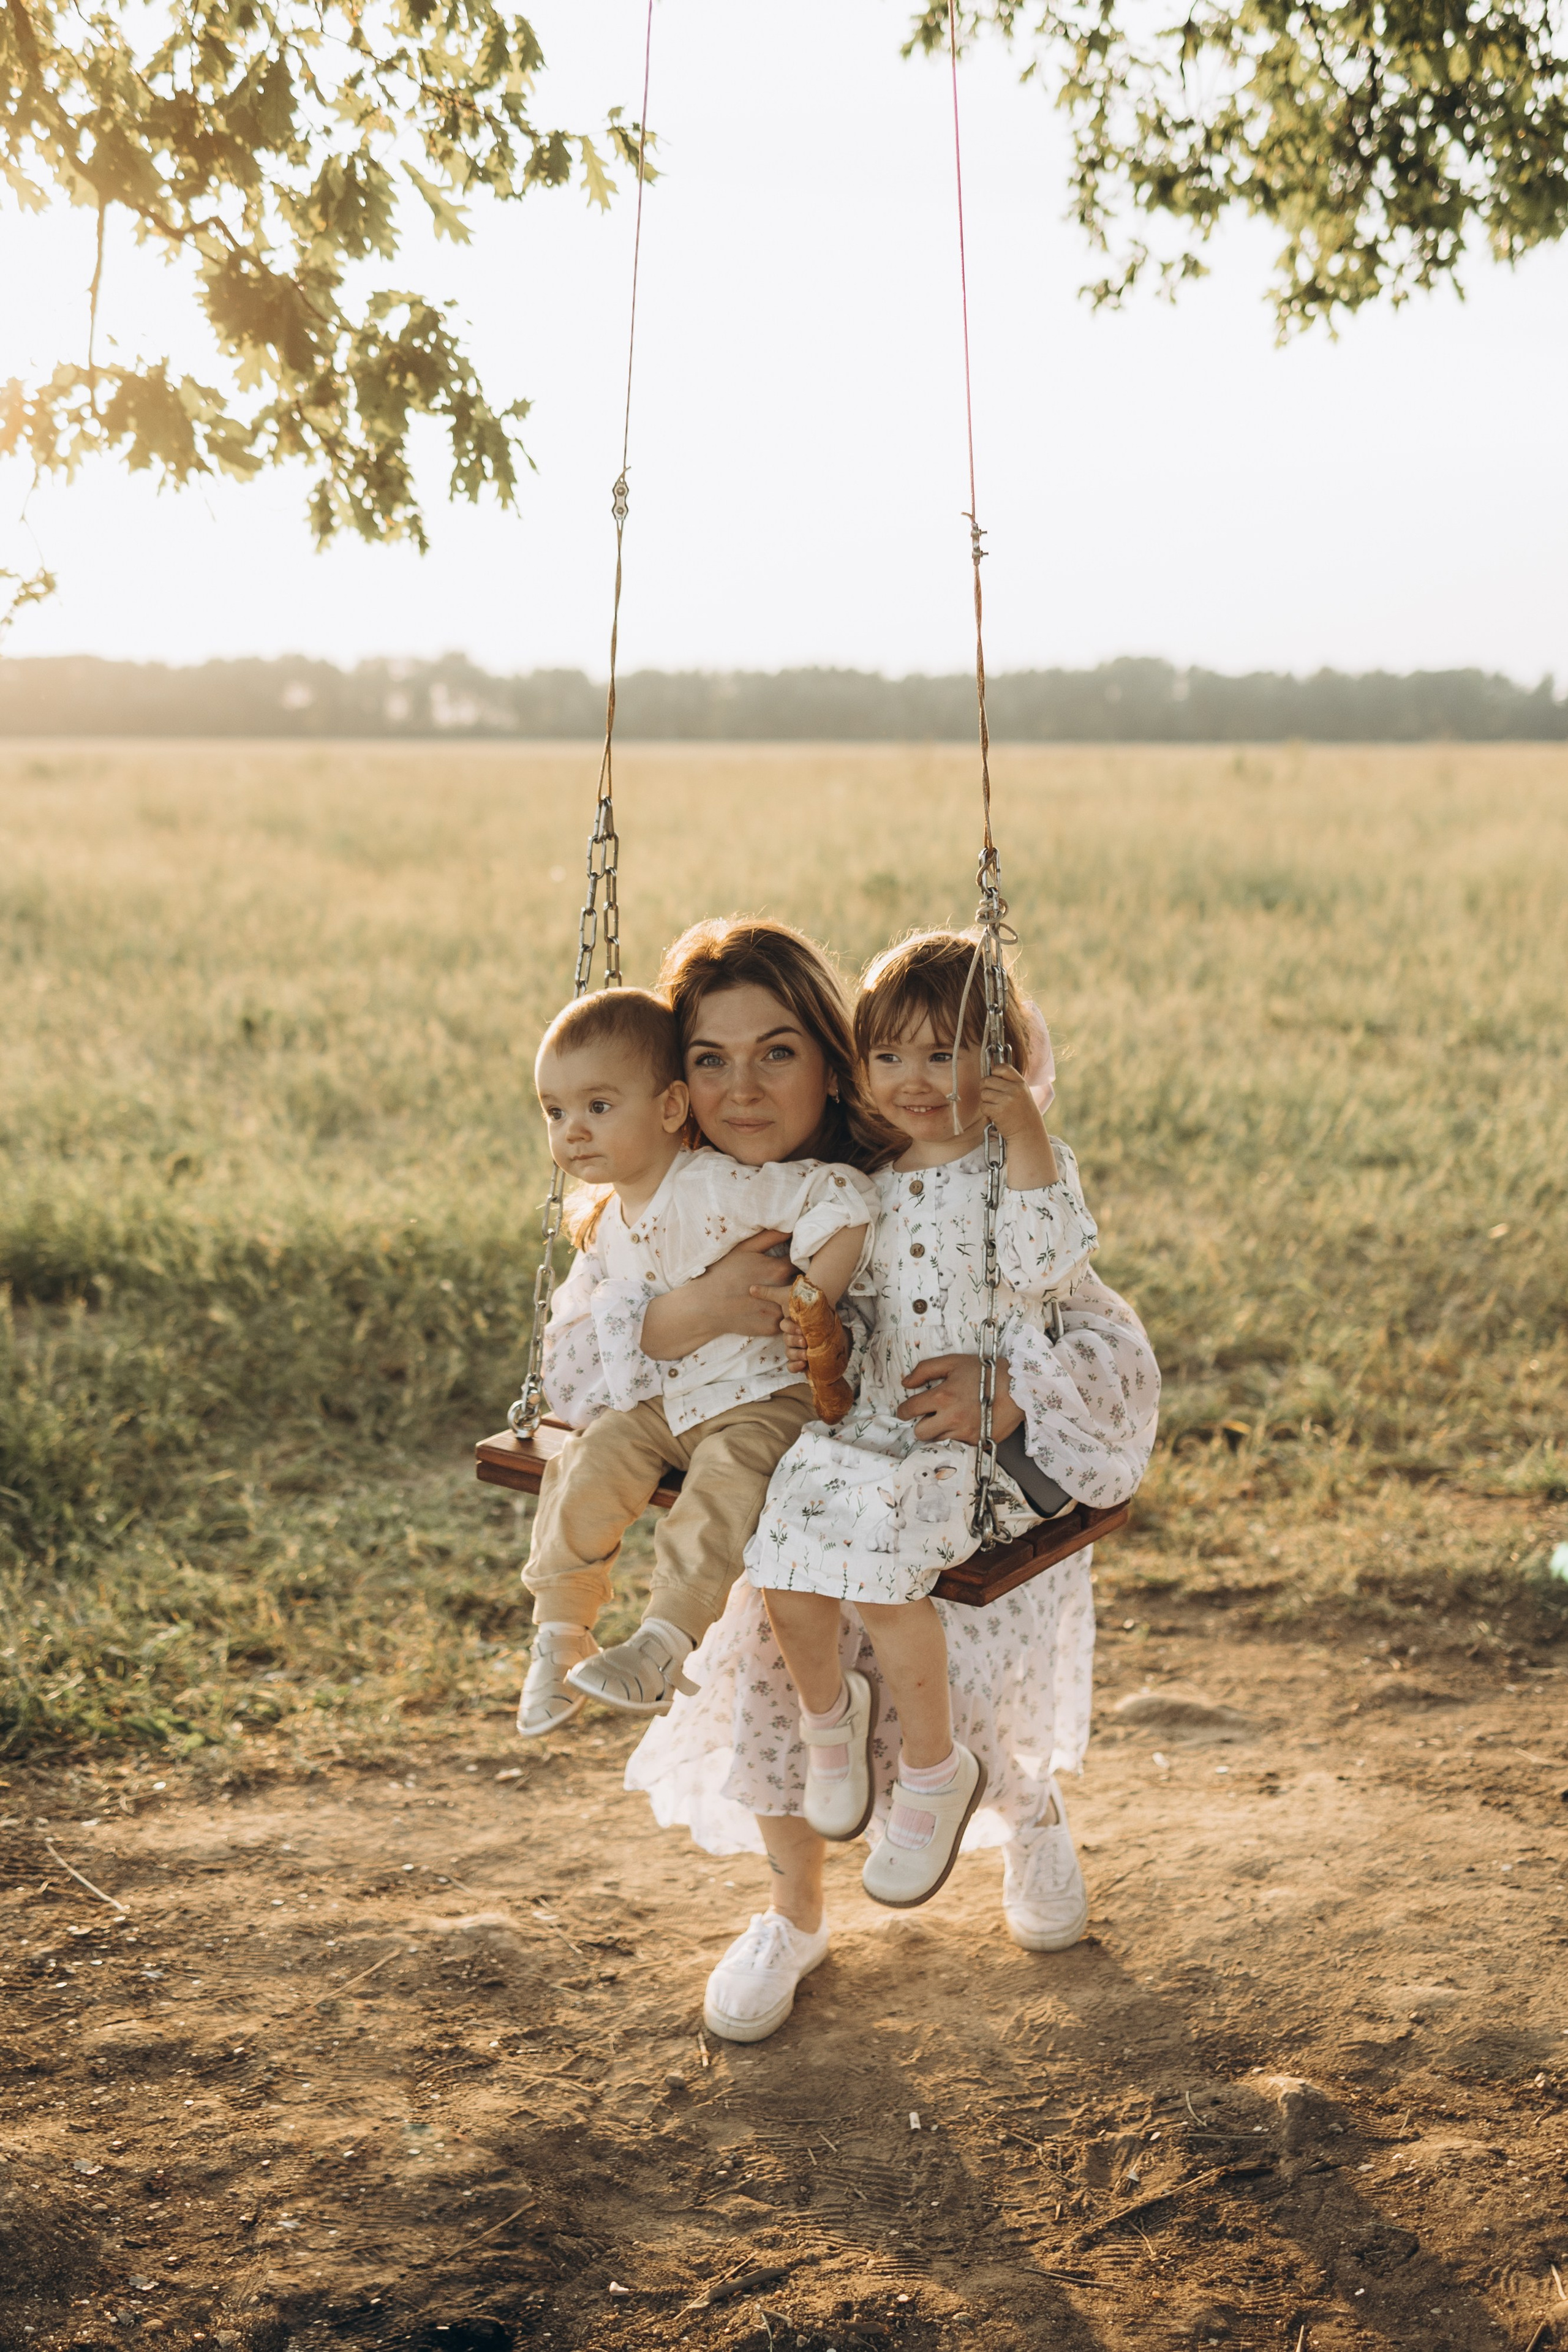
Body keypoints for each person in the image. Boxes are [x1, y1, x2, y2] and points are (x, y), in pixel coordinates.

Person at [535, 916, 1158, 2041]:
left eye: (778, 1051)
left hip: (929, 1481)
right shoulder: (662, 1198)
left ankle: (1029, 1813)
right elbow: (581, 1358)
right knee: (774, 1662)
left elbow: (1082, 1319)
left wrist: (1008, 1391)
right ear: (673, 1090)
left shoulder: (904, 1168)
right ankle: (793, 1911)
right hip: (795, 1495)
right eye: (709, 1061)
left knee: (956, 1657)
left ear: (831, 1059)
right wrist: (697, 1309)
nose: (741, 1088)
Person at [740, 930, 1101, 1911]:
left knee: (884, 1567)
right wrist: (825, 1338)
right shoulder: (875, 1187)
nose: (914, 1078)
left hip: (957, 1446)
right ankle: (830, 1716)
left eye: (945, 1054)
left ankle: (939, 1775)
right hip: (869, 1431)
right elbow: (861, 1306)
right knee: (780, 1551)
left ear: (1005, 1063)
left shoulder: (1015, 1171)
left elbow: (1047, 1268)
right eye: (890, 1054)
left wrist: (1023, 1134)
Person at [517, 986, 877, 1736]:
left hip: (758, 1399)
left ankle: (662, 1643)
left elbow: (840, 1193)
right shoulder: (609, 1220)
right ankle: (560, 1631)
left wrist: (811, 1302)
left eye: (598, 1107)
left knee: (721, 1488)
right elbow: (588, 1351)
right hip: (669, 1406)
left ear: (671, 1109)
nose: (573, 1132)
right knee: (587, 1460)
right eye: (556, 1112)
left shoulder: (714, 1188)